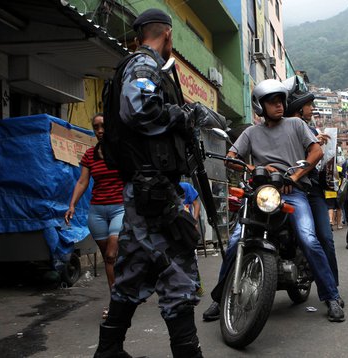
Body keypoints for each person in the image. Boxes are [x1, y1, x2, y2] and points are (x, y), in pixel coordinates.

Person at [94, 9, 208, 358]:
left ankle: (108, 350)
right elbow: (140, 110)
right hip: (152, 191)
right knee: (179, 275)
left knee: (131, 275)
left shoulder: (145, 66)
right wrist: (184, 116)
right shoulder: (144, 65)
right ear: (168, 35)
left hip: (146, 189)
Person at [203, 79, 345, 323]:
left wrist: (294, 175)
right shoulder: (250, 132)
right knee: (237, 240)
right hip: (260, 193)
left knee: (309, 239)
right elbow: (230, 158)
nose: (279, 105)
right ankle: (220, 299)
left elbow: (316, 152)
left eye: (281, 100)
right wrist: (256, 169)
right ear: (260, 106)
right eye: (272, 101)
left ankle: (331, 296)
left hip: (292, 192)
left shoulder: (296, 124)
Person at [65, 113, 124, 319]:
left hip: (120, 208)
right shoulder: (90, 155)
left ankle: (117, 304)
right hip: (97, 210)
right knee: (111, 259)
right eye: (96, 127)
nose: (100, 131)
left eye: (103, 126)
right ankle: (118, 297)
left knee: (110, 255)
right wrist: (71, 205)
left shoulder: (121, 151)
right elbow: (82, 182)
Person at [283, 77, 339, 287]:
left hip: (310, 188)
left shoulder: (310, 130)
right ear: (298, 108)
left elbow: (315, 155)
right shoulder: (280, 129)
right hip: (284, 188)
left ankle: (332, 289)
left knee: (325, 238)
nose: (312, 109)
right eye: (309, 105)